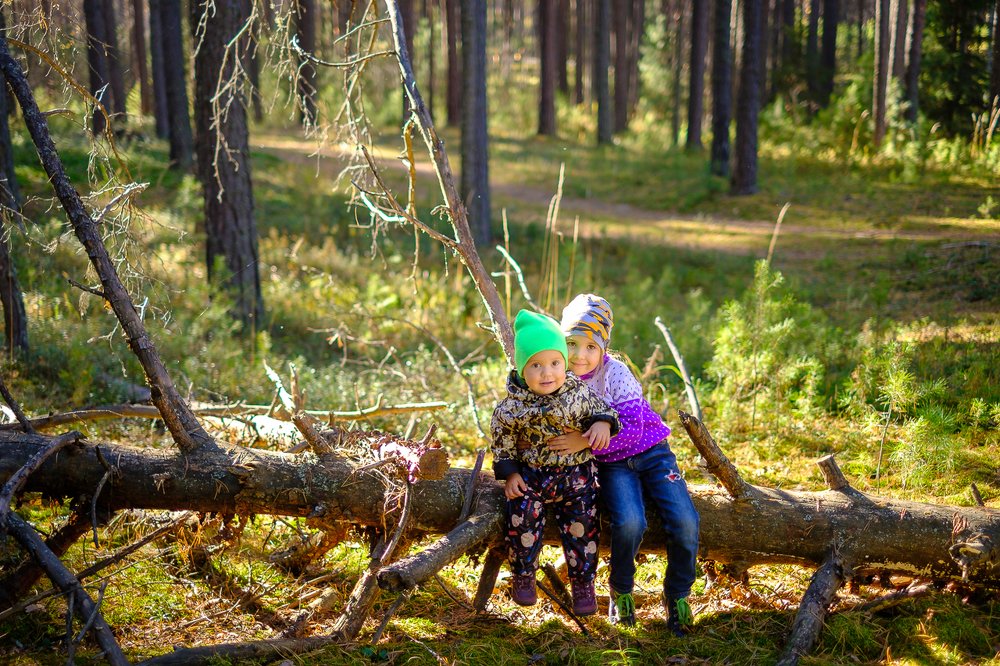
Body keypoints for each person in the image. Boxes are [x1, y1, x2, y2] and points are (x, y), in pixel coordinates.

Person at [550, 294, 700, 635]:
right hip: (612, 465)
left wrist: (585, 440)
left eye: (591, 346)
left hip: (652, 453)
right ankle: (621, 591)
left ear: (604, 346)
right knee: (630, 522)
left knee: (685, 520)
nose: (580, 355)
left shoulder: (615, 372)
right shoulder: (558, 376)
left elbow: (633, 429)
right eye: (572, 344)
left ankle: (677, 594)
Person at [491, 309, 621, 617]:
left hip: (576, 476)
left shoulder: (577, 392)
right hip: (531, 475)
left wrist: (602, 424)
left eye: (554, 363)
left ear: (564, 363)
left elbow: (604, 410)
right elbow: (502, 441)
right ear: (522, 369)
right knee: (521, 517)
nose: (547, 373)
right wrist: (510, 474)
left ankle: (583, 584)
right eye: (536, 365)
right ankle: (524, 575)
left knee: (583, 525)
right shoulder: (512, 406)